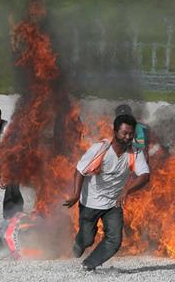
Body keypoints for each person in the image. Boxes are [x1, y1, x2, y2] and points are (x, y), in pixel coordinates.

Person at [64, 114, 150, 270]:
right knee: (87, 239)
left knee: (114, 240)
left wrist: (127, 190)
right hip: (91, 202)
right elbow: (79, 171)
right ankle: (79, 244)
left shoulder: (135, 152)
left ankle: (89, 265)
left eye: (131, 134)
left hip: (113, 204)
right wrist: (76, 194)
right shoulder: (100, 149)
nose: (128, 137)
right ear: (115, 131)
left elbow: (145, 175)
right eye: (124, 133)